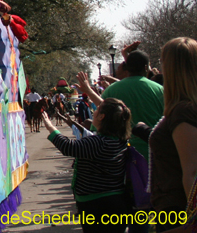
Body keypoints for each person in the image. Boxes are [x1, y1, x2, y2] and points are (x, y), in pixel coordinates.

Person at [41, 98, 133, 232]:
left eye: (97, 110)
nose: (93, 112)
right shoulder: (120, 141)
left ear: (102, 117)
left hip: (96, 205)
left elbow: (68, 147)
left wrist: (50, 126)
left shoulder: (97, 143)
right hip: (117, 201)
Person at [149, 37, 197, 230]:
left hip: (178, 210)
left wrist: (191, 220)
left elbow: (191, 171)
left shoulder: (183, 111)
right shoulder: (182, 108)